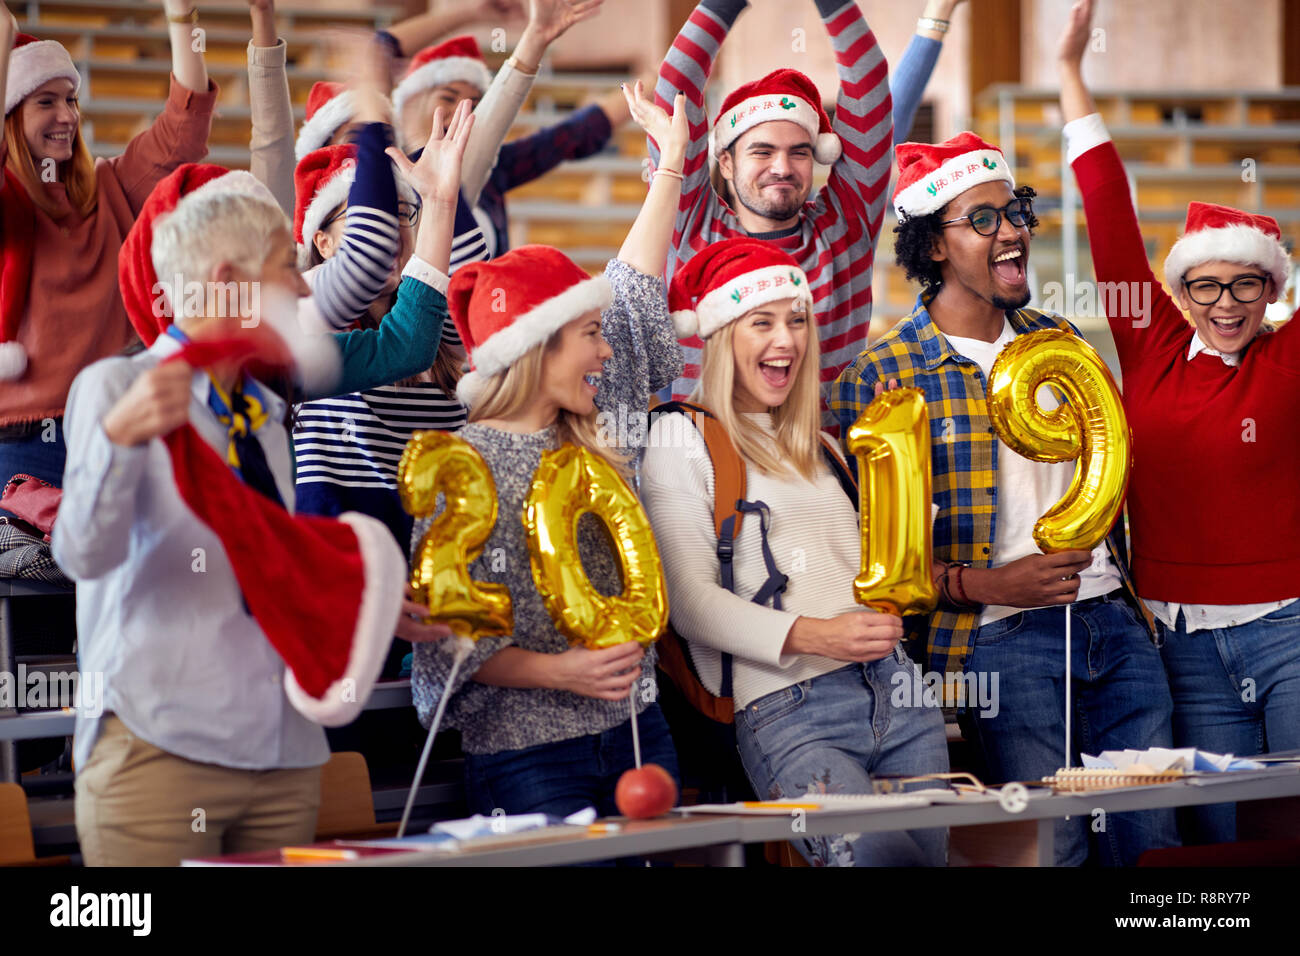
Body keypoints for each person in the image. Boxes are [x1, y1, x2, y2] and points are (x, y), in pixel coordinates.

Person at [52, 149, 464, 862]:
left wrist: (349, 599)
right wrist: (117, 446)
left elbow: (269, 557)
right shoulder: (115, 390)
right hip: (161, 749)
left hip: (281, 752)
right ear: (229, 284)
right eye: (284, 265)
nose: (303, 290)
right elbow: (84, 554)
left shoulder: (264, 414)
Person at [830, 131, 1179, 866]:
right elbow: (875, 565)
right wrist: (989, 586)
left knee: (1150, 848)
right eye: (982, 219)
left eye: (1014, 211)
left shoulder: (1061, 342)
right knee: (1049, 853)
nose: (1012, 229)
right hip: (1000, 643)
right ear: (932, 247)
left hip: (1115, 627)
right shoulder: (882, 376)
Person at [408, 82, 685, 821]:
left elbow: (634, 291)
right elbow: (447, 652)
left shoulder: (601, 425)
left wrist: (672, 167)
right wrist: (563, 672)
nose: (606, 348)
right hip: (527, 758)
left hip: (637, 735)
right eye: (588, 334)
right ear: (538, 350)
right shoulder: (458, 464)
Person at [1058, 0, 1299, 844]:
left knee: (1290, 836)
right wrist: (1069, 76)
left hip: (1290, 633)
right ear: (1180, 291)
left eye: (1246, 286)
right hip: (1184, 644)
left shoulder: (1289, 357)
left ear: (1273, 293)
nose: (1226, 304)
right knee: (1222, 844)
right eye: (1206, 285)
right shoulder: (1149, 345)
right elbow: (1110, 220)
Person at [640, 237, 949, 866]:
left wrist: (906, 466)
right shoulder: (680, 435)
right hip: (789, 707)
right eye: (763, 322)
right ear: (722, 333)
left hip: (900, 691)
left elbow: (893, 568)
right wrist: (816, 635)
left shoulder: (826, 447)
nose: (787, 340)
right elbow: (690, 604)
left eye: (797, 320)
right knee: (877, 862)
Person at [650, 0, 949, 404]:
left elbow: (869, 85)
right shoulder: (692, 224)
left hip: (819, 462)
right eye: (762, 152)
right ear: (725, 160)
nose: (782, 167)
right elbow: (676, 85)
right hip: (702, 460)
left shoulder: (844, 229)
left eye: (799, 152)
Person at [0, 0, 214, 524]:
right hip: (24, 445)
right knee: (34, 606)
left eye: (71, 99)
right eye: (45, 102)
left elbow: (183, 130)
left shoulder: (111, 186)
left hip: (114, 431)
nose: (67, 116)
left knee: (110, 602)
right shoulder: (7, 202)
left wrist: (182, 22)